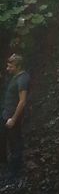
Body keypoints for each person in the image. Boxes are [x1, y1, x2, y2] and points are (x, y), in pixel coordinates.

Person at [2, 52, 30, 183]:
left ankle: (14, 175)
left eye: (10, 66)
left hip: (13, 118)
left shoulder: (23, 79)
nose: (8, 69)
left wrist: (13, 119)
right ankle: (6, 169)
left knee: (15, 145)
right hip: (5, 115)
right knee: (5, 143)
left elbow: (22, 101)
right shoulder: (15, 76)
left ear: (18, 66)